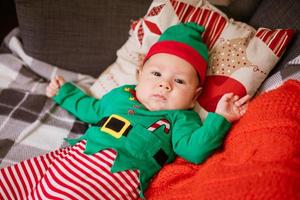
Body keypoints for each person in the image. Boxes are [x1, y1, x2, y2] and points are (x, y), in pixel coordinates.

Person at [0, 22, 250, 200]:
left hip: (117, 174)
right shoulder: (122, 95)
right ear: (139, 74)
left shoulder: (181, 117)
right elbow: (91, 109)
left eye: (180, 82)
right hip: (76, 154)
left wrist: (220, 118)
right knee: (14, 181)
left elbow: (194, 150)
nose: (165, 84)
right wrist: (65, 92)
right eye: (156, 74)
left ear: (194, 96)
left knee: (64, 193)